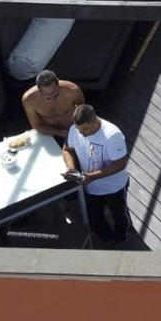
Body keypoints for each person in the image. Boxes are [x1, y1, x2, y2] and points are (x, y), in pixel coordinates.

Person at [62, 104, 132, 248]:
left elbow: (120, 163)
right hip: (90, 187)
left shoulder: (112, 135)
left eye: (85, 131)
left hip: (114, 188)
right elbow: (67, 149)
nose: (82, 134)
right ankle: (107, 238)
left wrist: (92, 177)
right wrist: (71, 167)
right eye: (79, 131)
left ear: (94, 121)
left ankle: (121, 238)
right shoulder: (75, 130)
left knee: (119, 215)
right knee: (94, 217)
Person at [22, 70, 85, 140]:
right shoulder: (29, 100)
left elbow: (83, 112)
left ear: (57, 82)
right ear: (39, 89)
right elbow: (37, 125)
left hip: (74, 130)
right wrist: (62, 133)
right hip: (49, 134)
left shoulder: (73, 90)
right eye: (47, 96)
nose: (52, 98)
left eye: (55, 94)